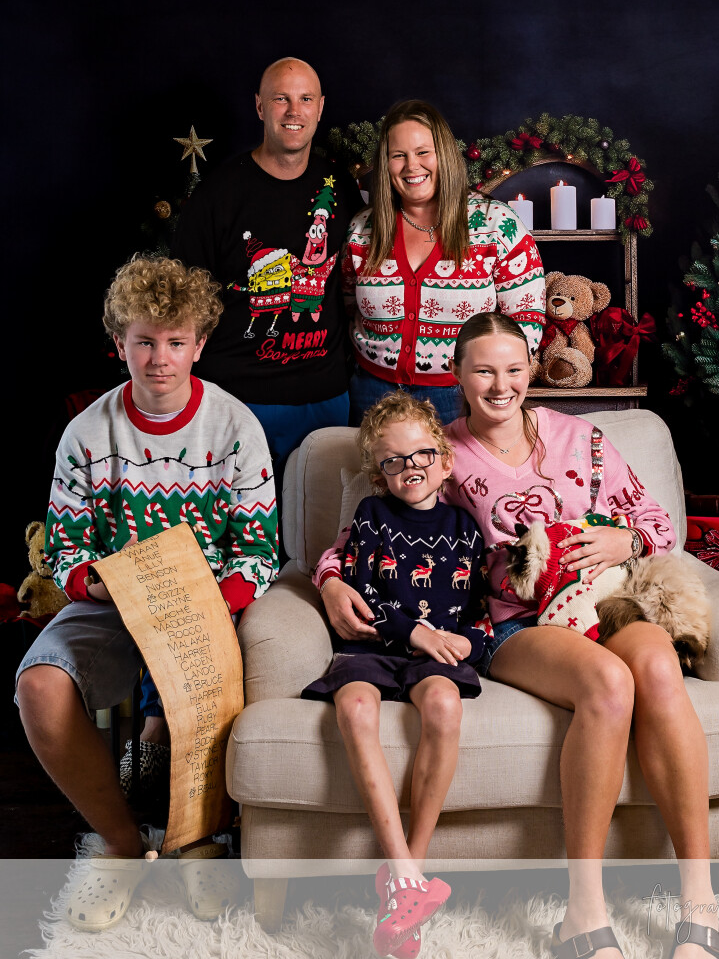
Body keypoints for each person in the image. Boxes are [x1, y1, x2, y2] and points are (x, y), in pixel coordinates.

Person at [316, 313, 719, 959]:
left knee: (655, 667)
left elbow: (656, 520)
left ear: (531, 369)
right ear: (457, 375)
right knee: (607, 682)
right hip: (517, 623)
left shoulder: (580, 439)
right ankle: (584, 912)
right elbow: (362, 536)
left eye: (513, 369)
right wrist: (328, 581)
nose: (500, 384)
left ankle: (698, 904)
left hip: (604, 599)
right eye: (483, 371)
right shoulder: (442, 453)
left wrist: (625, 539)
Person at [15, 255, 279, 931]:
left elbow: (257, 553)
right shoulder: (87, 431)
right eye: (144, 341)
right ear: (119, 343)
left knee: (212, 685)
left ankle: (197, 838)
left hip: (206, 603)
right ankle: (119, 842)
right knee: (38, 686)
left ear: (199, 344)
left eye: (175, 342)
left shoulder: (235, 427)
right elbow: (65, 553)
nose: (160, 359)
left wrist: (212, 603)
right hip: (113, 602)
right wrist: (101, 584)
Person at [305, 390, 489, 958]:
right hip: (376, 643)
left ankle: (410, 873)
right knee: (355, 706)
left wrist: (471, 640)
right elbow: (362, 595)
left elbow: (483, 611)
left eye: (422, 454)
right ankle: (403, 871)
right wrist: (415, 633)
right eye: (393, 460)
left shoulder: (466, 528)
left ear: (445, 461)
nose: (411, 467)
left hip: (436, 654)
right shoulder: (371, 517)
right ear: (378, 474)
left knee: (444, 706)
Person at [171, 56, 363, 493]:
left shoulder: (340, 187)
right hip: (237, 397)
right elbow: (183, 303)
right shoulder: (218, 195)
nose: (294, 111)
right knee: (236, 526)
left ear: (320, 107)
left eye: (305, 99)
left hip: (324, 399)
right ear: (260, 106)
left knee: (319, 527)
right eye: (281, 99)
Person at [344, 99, 545, 426]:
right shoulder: (362, 229)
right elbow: (347, 306)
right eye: (398, 155)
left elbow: (527, 318)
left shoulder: (496, 224)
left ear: (445, 155)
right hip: (372, 393)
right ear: (386, 163)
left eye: (423, 152)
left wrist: (494, 383)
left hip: (460, 396)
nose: (412, 166)